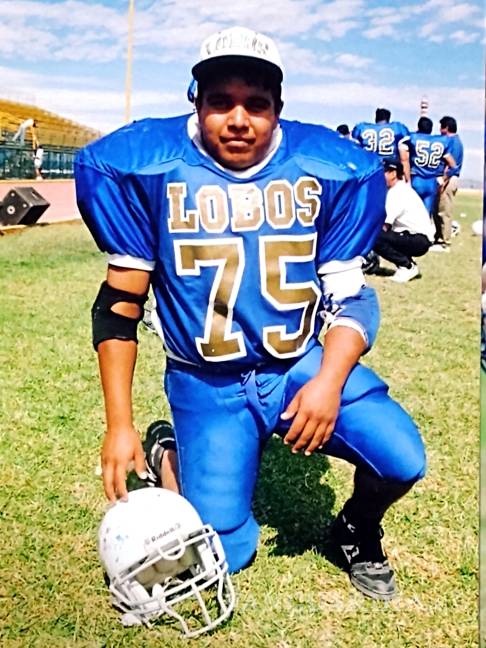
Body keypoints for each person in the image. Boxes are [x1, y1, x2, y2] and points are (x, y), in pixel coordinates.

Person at [75, 26, 426, 605]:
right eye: (221, 102)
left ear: (278, 107)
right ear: (196, 101)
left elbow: (354, 298)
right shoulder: (147, 165)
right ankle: (171, 455)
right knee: (227, 550)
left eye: (255, 104)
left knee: (401, 458)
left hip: (296, 367)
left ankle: (357, 531)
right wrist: (120, 424)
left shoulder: (327, 167)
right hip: (206, 380)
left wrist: (328, 382)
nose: (238, 119)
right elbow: (118, 307)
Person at [373, 158, 434, 282]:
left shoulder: (397, 193)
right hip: (415, 237)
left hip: (419, 239)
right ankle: (407, 264)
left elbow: (385, 225)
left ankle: (407, 266)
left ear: (393, 174)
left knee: (374, 236)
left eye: (383, 172)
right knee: (379, 234)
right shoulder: (399, 190)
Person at [398, 117, 455, 217]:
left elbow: (404, 160)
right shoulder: (441, 141)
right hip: (431, 182)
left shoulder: (412, 138)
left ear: (418, 127)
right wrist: (443, 179)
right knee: (425, 217)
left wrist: (407, 180)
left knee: (410, 216)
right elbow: (453, 165)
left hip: (416, 179)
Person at [430, 116, 464, 252]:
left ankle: (445, 242)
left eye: (441, 127)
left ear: (446, 127)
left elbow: (451, 166)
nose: (440, 130)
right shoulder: (452, 141)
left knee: (445, 211)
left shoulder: (453, 142)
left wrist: (443, 180)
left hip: (448, 179)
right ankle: (438, 237)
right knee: (437, 210)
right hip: (444, 178)